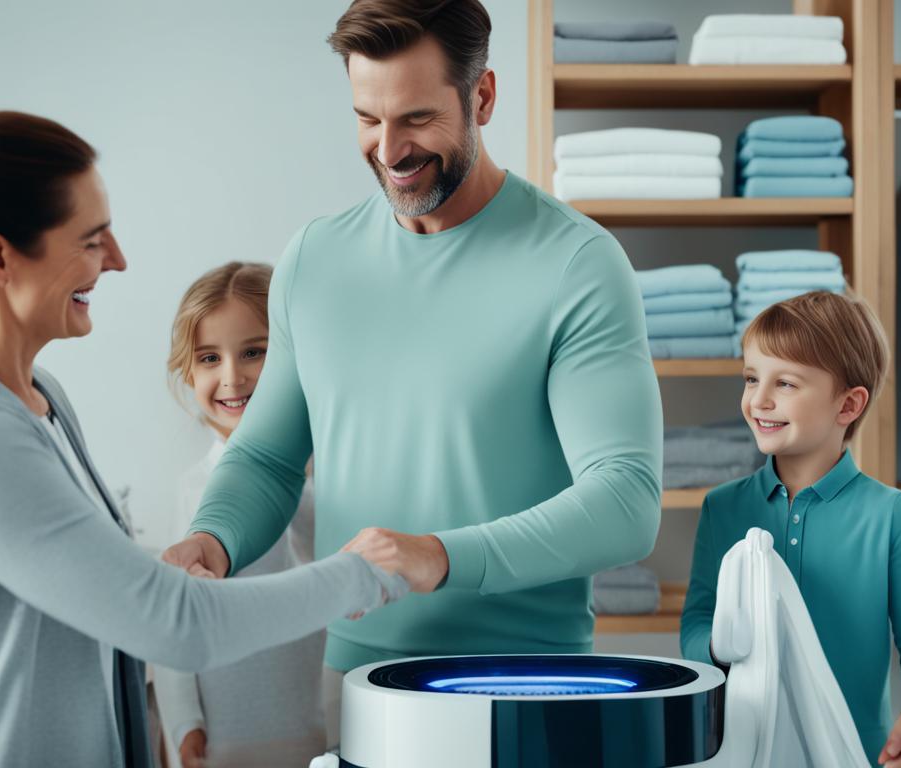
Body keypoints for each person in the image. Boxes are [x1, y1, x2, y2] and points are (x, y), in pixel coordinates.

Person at [0, 94, 406, 768]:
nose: (116, 259)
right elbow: (175, 625)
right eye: (91, 239)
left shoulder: (38, 398)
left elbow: (107, 602)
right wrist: (363, 574)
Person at [162, 0, 662, 742]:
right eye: (368, 118)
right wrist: (213, 540)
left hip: (524, 682)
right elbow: (266, 457)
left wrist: (440, 556)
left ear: (482, 96)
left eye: (417, 119)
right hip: (360, 680)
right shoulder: (314, 259)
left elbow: (626, 501)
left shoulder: (577, 265)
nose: (388, 149)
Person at [680, 291, 901, 768]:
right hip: (744, 748)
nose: (758, 399)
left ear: (847, 405)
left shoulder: (887, 513)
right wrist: (715, 643)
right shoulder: (722, 508)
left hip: (855, 750)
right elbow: (696, 621)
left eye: (784, 383)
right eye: (751, 378)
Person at [154, 262, 325, 768]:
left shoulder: (331, 477)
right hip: (228, 730)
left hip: (322, 718)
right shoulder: (193, 492)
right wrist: (185, 725)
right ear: (188, 371)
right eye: (210, 357)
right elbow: (172, 621)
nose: (233, 377)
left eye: (255, 351)